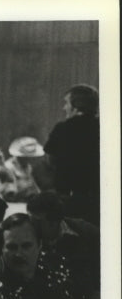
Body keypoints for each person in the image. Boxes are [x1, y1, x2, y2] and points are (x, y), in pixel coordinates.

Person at [26, 190, 100, 299]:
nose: (30, 226)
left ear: (53, 223)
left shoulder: (87, 233)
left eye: (36, 222)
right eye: (29, 219)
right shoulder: (27, 238)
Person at [44, 84, 99, 225]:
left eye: (66, 103)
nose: (64, 108)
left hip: (68, 201)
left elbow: (51, 160)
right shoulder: (105, 128)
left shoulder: (62, 129)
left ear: (76, 106)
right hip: (99, 201)